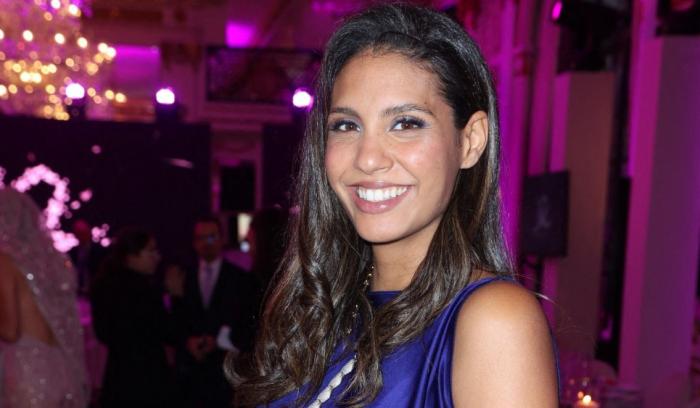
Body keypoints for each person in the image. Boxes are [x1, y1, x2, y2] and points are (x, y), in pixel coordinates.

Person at [231, 4, 559, 407]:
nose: (368, 158)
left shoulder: (494, 320)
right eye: (347, 125)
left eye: (406, 123)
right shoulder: (325, 310)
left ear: (471, 141)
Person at [0, 189, 88, 407]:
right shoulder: (47, 262)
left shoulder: (4, 261)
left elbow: (10, 331)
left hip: (27, 368)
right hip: (60, 364)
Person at [173, 215, 260, 407]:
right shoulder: (183, 276)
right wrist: (187, 341)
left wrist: (219, 341)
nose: (206, 243)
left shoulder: (240, 278)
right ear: (194, 243)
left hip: (225, 374)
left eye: (211, 237)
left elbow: (246, 323)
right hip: (190, 376)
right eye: (201, 238)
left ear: (222, 239)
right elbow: (175, 321)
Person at [90, 227, 182, 407]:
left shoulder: (103, 284)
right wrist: (176, 296)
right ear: (132, 256)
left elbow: (103, 334)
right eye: (151, 250)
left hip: (118, 378)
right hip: (149, 381)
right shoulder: (143, 289)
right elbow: (170, 332)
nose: (157, 256)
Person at [68, 218, 106, 296]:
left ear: (88, 232)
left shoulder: (99, 251)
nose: (81, 236)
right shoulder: (72, 253)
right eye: (78, 233)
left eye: (83, 233)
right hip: (77, 291)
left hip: (96, 291)